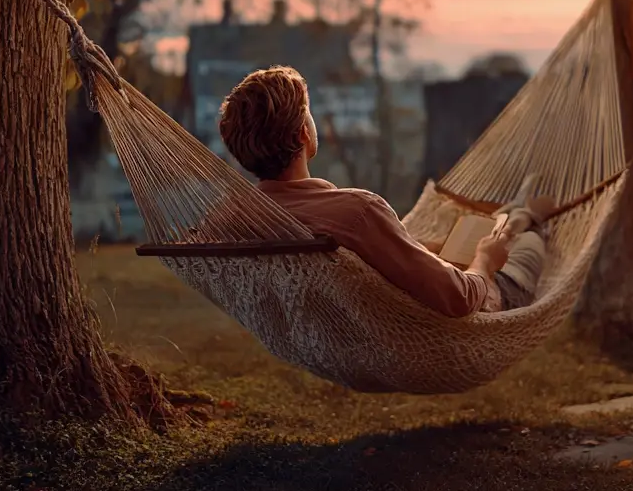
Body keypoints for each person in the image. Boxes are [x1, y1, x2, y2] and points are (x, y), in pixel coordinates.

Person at [217, 65, 556, 317]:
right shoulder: (357, 211)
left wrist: (426, 250)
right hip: (471, 304)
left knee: (487, 231)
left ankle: (516, 211)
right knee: (524, 242)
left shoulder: (237, 218)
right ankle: (529, 218)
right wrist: (484, 261)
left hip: (351, 324)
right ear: (303, 134)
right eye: (308, 114)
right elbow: (460, 298)